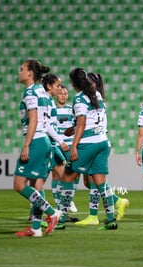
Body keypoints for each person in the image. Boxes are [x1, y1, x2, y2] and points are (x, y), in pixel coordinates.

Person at [57, 68, 118, 230]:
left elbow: (83, 122)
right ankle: (111, 220)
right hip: (103, 142)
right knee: (100, 182)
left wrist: (74, 145)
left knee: (67, 177)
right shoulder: (96, 95)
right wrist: (73, 127)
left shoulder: (78, 98)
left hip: (88, 142)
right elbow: (88, 120)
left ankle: (60, 219)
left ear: (73, 83)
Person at [13, 59, 62, 237]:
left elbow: (34, 120)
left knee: (19, 185)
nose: (19, 72)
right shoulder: (42, 91)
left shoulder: (31, 92)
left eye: (22, 69)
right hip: (45, 141)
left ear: (30, 73)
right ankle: (35, 228)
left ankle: (52, 213)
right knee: (36, 184)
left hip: (37, 140)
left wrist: (26, 145)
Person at [75, 72, 129, 226]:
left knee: (93, 180)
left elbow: (85, 123)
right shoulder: (99, 99)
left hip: (94, 142)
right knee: (90, 181)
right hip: (101, 141)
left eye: (89, 82)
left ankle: (94, 215)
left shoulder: (92, 99)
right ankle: (117, 202)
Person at [42, 76, 78, 222]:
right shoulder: (51, 107)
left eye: (65, 93)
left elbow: (77, 126)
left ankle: (62, 206)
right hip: (56, 145)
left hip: (68, 145)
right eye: (61, 92)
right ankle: (62, 206)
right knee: (55, 176)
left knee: (69, 175)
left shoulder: (72, 109)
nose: (63, 95)